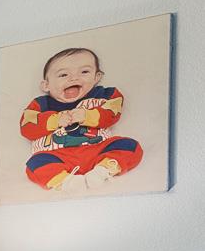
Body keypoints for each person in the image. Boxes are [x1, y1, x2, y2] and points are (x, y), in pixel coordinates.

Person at [20, 47, 142, 192]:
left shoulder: (104, 95)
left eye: (84, 72)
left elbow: (112, 113)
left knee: (129, 146)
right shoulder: (40, 104)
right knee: (35, 164)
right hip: (57, 155)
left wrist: (88, 116)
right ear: (46, 85)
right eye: (63, 74)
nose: (74, 78)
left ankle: (103, 171)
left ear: (96, 77)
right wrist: (55, 120)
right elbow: (27, 128)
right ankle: (65, 181)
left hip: (97, 149)